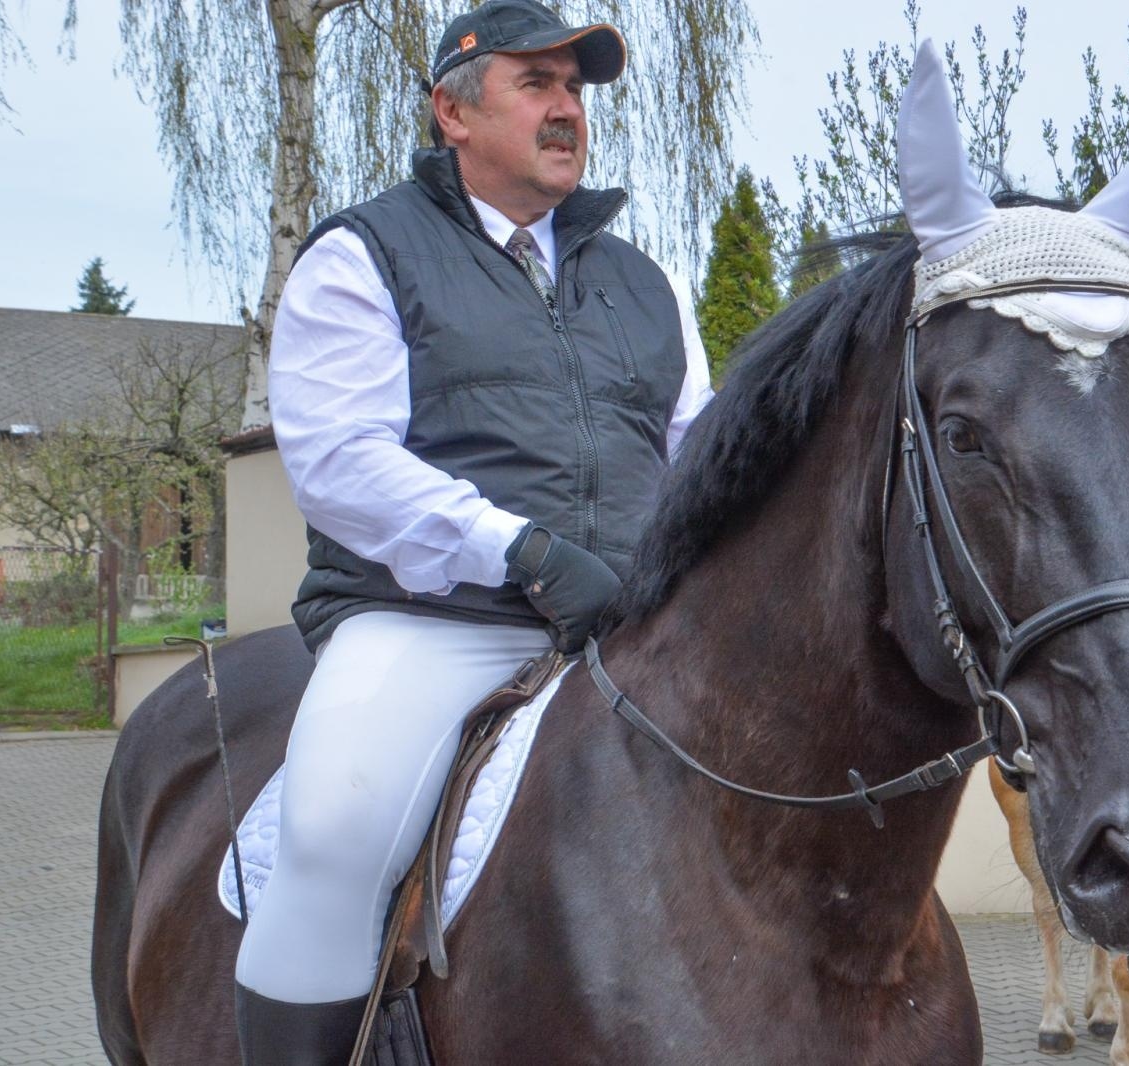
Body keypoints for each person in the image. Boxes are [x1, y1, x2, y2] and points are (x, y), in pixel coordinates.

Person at [231, 1, 715, 1060]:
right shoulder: (364, 254)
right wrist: (525, 550)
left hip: (627, 626)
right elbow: (342, 462)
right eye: (535, 84)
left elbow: (701, 461)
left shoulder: (649, 283)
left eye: (575, 91)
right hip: (434, 619)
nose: (565, 111)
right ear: (452, 112)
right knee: (334, 829)